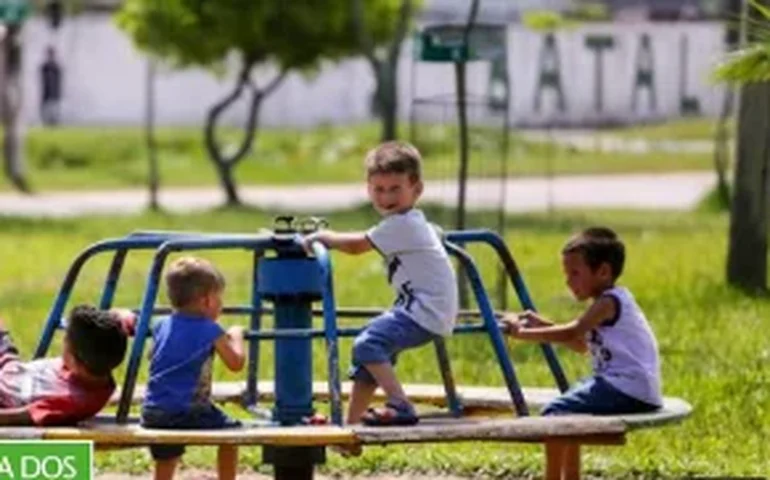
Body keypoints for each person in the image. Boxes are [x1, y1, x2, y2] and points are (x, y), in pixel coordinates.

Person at [303, 141, 458, 427]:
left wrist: (322, 237)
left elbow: (356, 245)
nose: (386, 197)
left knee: (368, 343)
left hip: (425, 310)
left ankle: (400, 405)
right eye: (379, 189)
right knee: (367, 364)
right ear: (368, 189)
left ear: (417, 190)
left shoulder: (403, 224)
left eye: (395, 189)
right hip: (426, 308)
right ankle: (349, 428)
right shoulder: (411, 221)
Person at [501, 227, 661, 480]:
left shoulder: (608, 303)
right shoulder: (608, 301)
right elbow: (581, 345)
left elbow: (572, 332)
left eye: (575, 273)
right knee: (568, 412)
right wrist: (540, 324)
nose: (568, 281)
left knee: (554, 414)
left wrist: (522, 334)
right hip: (631, 388)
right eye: (567, 274)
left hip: (626, 388)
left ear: (604, 272)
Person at [138, 256, 245, 480]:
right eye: (219, 299)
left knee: (166, 454)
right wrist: (236, 336)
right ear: (207, 301)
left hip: (153, 412)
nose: (221, 305)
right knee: (233, 435)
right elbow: (236, 363)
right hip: (190, 412)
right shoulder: (211, 329)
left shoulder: (161, 325)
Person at [0, 305, 129, 426]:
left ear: (75, 363)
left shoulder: (72, 401)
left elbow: (19, 416)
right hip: (9, 365)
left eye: (65, 341)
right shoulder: (98, 363)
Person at [39, 46, 63, 126]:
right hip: (46, 91)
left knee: (54, 108)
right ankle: (47, 122)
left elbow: (59, 80)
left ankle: (54, 122)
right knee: (46, 109)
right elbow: (42, 79)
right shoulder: (45, 67)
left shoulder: (56, 67)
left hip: (54, 92)